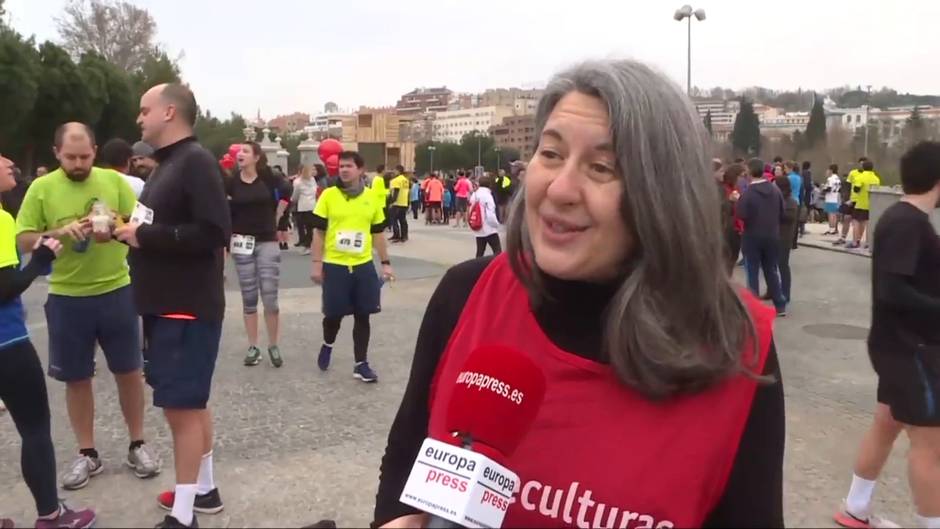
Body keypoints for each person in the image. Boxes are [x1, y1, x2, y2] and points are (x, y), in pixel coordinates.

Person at [374, 59, 783, 529]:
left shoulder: (737, 345)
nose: (560, 189)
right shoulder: (466, 294)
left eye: (601, 167)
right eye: (550, 153)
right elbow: (406, 456)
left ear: (664, 195)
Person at [16, 122, 160, 492]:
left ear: (95, 151)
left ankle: (138, 443)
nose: (78, 164)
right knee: (76, 377)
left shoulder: (113, 182)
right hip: (66, 294)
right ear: (56, 153)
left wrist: (115, 226)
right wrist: (58, 233)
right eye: (70, 157)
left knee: (129, 371)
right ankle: (87, 452)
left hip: (117, 289)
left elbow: (141, 223)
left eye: (84, 156)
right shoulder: (42, 188)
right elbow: (24, 238)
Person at [114, 83, 231, 528]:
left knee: (181, 408)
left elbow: (213, 231)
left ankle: (183, 517)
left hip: (185, 305)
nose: (139, 118)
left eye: (144, 110)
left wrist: (143, 236)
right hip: (167, 303)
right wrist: (127, 231)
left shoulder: (195, 161)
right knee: (191, 404)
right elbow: (159, 228)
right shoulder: (167, 165)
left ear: (168, 112)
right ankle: (203, 489)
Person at [834, 141, 940, 529]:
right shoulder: (908, 223)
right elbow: (892, 291)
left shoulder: (903, 218)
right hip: (911, 350)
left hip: (898, 346)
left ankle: (855, 507)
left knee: (886, 423)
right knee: (930, 445)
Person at [0, 154, 96, 529]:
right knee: (35, 429)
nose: (9, 162)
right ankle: (51, 515)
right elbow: (4, 289)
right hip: (7, 341)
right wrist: (41, 260)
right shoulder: (1, 219)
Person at [310, 151, 394, 384]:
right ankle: (328, 344)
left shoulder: (372, 198)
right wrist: (316, 263)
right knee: (333, 315)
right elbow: (319, 232)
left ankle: (361, 363)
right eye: (341, 166)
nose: (344, 170)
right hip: (335, 264)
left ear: (360, 170)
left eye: (348, 166)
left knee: (363, 314)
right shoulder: (328, 195)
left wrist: (385, 263)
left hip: (362, 264)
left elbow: (378, 234)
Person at [226, 142, 290, 368]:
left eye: (245, 151)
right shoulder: (231, 182)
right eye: (239, 151)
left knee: (270, 296)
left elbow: (287, 192)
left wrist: (279, 216)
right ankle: (253, 346)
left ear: (256, 157)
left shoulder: (268, 177)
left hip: (267, 240)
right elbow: (225, 209)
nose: (240, 154)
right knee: (249, 296)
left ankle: (273, 344)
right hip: (241, 242)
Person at [738, 158, 788, 316]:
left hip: (752, 235)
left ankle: (754, 307)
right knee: (771, 270)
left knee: (752, 271)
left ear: (749, 172)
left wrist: (736, 202)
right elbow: (782, 212)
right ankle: (780, 304)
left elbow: (742, 214)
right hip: (772, 235)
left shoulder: (748, 193)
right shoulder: (775, 190)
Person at [774, 175, 798, 305]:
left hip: (784, 238)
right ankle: (772, 290)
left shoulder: (790, 201)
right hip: (772, 236)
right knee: (771, 266)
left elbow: (789, 217)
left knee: (782, 265)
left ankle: (785, 293)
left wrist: (775, 211)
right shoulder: (775, 199)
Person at [847, 160, 881, 250]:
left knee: (856, 221)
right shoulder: (876, 178)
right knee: (866, 222)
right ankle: (866, 242)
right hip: (871, 203)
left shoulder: (860, 177)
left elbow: (856, 189)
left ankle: (855, 242)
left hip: (861, 203)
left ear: (863, 167)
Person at [720, 163, 745, 275]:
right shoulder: (723, 189)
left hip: (736, 227)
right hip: (727, 228)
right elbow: (721, 209)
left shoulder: (735, 188)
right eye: (741, 176)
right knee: (726, 258)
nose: (742, 179)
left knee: (733, 256)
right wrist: (730, 201)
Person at [468, 174, 501, 257]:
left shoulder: (475, 194)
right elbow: (490, 213)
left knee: (480, 251)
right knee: (497, 251)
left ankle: (477, 264)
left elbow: (471, 209)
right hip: (489, 228)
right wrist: (496, 224)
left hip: (478, 226)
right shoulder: (488, 196)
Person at [292, 165, 318, 255]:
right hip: (313, 205)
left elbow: (295, 194)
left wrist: (293, 200)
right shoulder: (312, 180)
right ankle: (308, 244)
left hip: (303, 206)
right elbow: (315, 190)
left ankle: (307, 244)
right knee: (310, 227)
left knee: (305, 226)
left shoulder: (297, 182)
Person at [388, 168, 410, 243]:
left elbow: (395, 192)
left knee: (394, 220)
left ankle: (396, 235)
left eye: (395, 170)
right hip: (404, 202)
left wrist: (392, 202)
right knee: (402, 220)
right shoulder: (406, 180)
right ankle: (404, 236)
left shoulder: (396, 180)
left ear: (398, 171)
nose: (393, 172)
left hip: (397, 203)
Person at [824, 164, 842, 235]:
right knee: (834, 214)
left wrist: (823, 189)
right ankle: (834, 229)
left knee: (830, 214)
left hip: (830, 198)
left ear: (831, 170)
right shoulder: (838, 178)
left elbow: (829, 188)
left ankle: (831, 229)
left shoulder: (830, 178)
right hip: (836, 197)